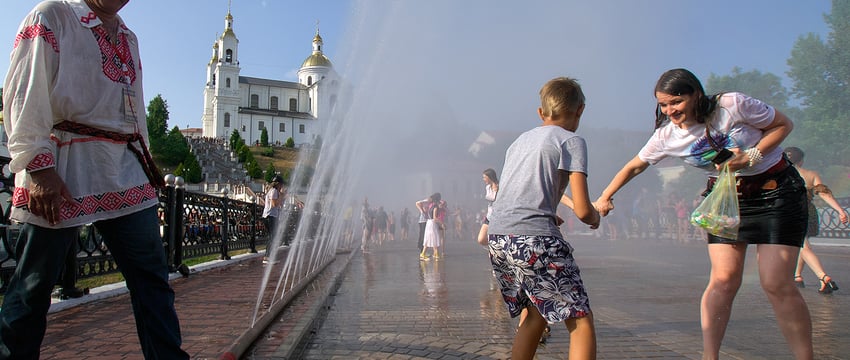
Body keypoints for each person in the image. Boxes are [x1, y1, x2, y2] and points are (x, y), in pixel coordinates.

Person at [0, 1, 190, 358]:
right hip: (64, 163)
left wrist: (147, 164)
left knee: (152, 280)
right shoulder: (52, 16)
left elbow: (134, 110)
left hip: (123, 167)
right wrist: (39, 168)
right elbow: (24, 92)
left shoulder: (129, 37)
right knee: (33, 286)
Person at [594, 68, 812, 359]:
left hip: (776, 193)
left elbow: (784, 125)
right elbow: (635, 165)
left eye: (676, 102)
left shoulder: (732, 105)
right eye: (663, 104)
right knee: (723, 280)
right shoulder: (667, 137)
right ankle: (710, 356)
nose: (670, 110)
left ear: (696, 94)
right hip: (726, 202)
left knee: (775, 283)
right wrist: (605, 196)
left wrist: (752, 156)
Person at [487, 77, 600, 360]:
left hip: (499, 239)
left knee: (536, 314)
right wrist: (596, 215)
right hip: (535, 240)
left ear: (541, 113)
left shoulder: (518, 142)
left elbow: (515, 194)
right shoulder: (572, 141)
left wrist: (549, 213)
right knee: (579, 319)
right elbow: (585, 211)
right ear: (580, 110)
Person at [784, 146, 848, 293]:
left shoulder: (780, 174)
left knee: (803, 246)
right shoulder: (811, 174)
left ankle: (823, 277)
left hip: (790, 212)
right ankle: (797, 276)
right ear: (801, 161)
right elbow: (824, 194)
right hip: (809, 212)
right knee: (803, 243)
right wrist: (840, 210)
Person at [477, 168, 499, 245]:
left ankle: (497, 250)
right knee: (481, 239)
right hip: (489, 216)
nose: (483, 179)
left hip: (498, 217)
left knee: (497, 237)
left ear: (490, 177)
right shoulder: (487, 187)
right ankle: (494, 248)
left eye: (484, 177)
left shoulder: (500, 187)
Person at [262, 175, 285, 245]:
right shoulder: (274, 191)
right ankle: (267, 255)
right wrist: (281, 195)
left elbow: (279, 204)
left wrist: (281, 195)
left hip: (271, 216)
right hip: (270, 216)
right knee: (272, 237)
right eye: (281, 184)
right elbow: (274, 204)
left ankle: (268, 254)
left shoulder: (274, 191)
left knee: (273, 236)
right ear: (278, 184)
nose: (282, 186)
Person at [419, 194, 443, 260]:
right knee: (434, 238)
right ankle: (427, 254)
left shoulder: (431, 206)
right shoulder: (435, 207)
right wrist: (442, 223)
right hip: (432, 223)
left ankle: (434, 253)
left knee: (429, 238)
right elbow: (435, 218)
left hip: (429, 223)